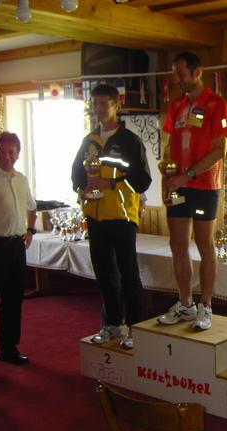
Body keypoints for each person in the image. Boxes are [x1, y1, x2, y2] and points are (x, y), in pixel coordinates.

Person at [71, 84, 152, 350]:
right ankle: (113, 324)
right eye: (95, 104)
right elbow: (75, 174)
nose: (99, 108)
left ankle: (136, 328)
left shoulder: (129, 141)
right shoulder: (89, 141)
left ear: (116, 105)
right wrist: (83, 189)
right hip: (95, 217)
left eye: (104, 103)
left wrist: (112, 184)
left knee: (128, 274)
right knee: (104, 274)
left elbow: (142, 180)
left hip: (122, 216)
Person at [157, 51, 227, 330]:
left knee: (204, 244)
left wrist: (187, 175)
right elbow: (169, 146)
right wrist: (167, 176)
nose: (176, 79)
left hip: (203, 186)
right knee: (177, 244)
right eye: (174, 74)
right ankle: (186, 303)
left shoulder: (216, 104)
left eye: (181, 74)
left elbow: (220, 150)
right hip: (178, 186)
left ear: (197, 72)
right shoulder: (176, 106)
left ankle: (206, 305)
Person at [0, 132, 36, 364]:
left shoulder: (22, 179)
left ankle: (8, 349)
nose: (7, 156)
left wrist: (31, 230)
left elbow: (32, 207)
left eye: (11, 152)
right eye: (2, 151)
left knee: (13, 300)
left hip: (17, 247)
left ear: (18, 154)